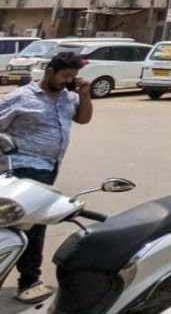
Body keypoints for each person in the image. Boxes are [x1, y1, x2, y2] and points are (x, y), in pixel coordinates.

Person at [0, 53, 92, 303]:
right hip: (22, 167)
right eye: (65, 75)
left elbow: (83, 119)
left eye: (73, 76)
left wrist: (84, 95)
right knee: (33, 225)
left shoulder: (68, 97)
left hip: (50, 167)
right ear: (49, 71)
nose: (68, 81)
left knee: (19, 224)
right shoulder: (21, 97)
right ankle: (29, 282)